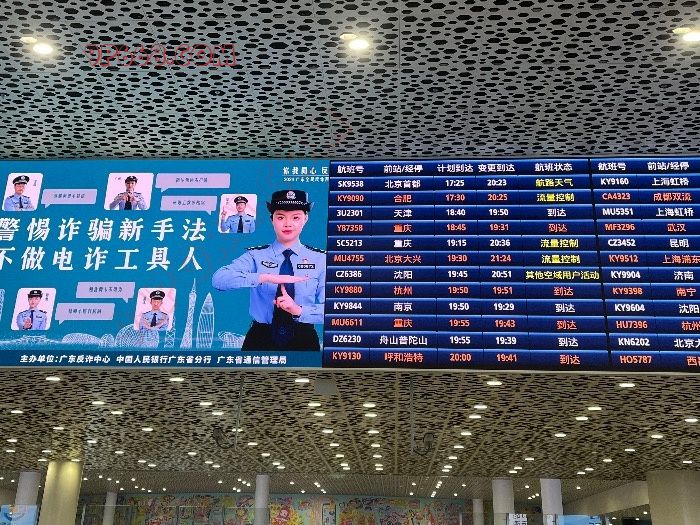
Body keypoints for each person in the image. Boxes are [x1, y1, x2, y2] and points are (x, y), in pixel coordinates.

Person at [212, 189, 325, 350]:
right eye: (280, 217)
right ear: (272, 219)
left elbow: (336, 310)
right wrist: (265, 277)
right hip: (260, 337)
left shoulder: (321, 259)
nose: (287, 224)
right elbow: (219, 279)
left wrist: (299, 311)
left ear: (305, 219)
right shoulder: (255, 255)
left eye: (295, 217)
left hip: (304, 337)